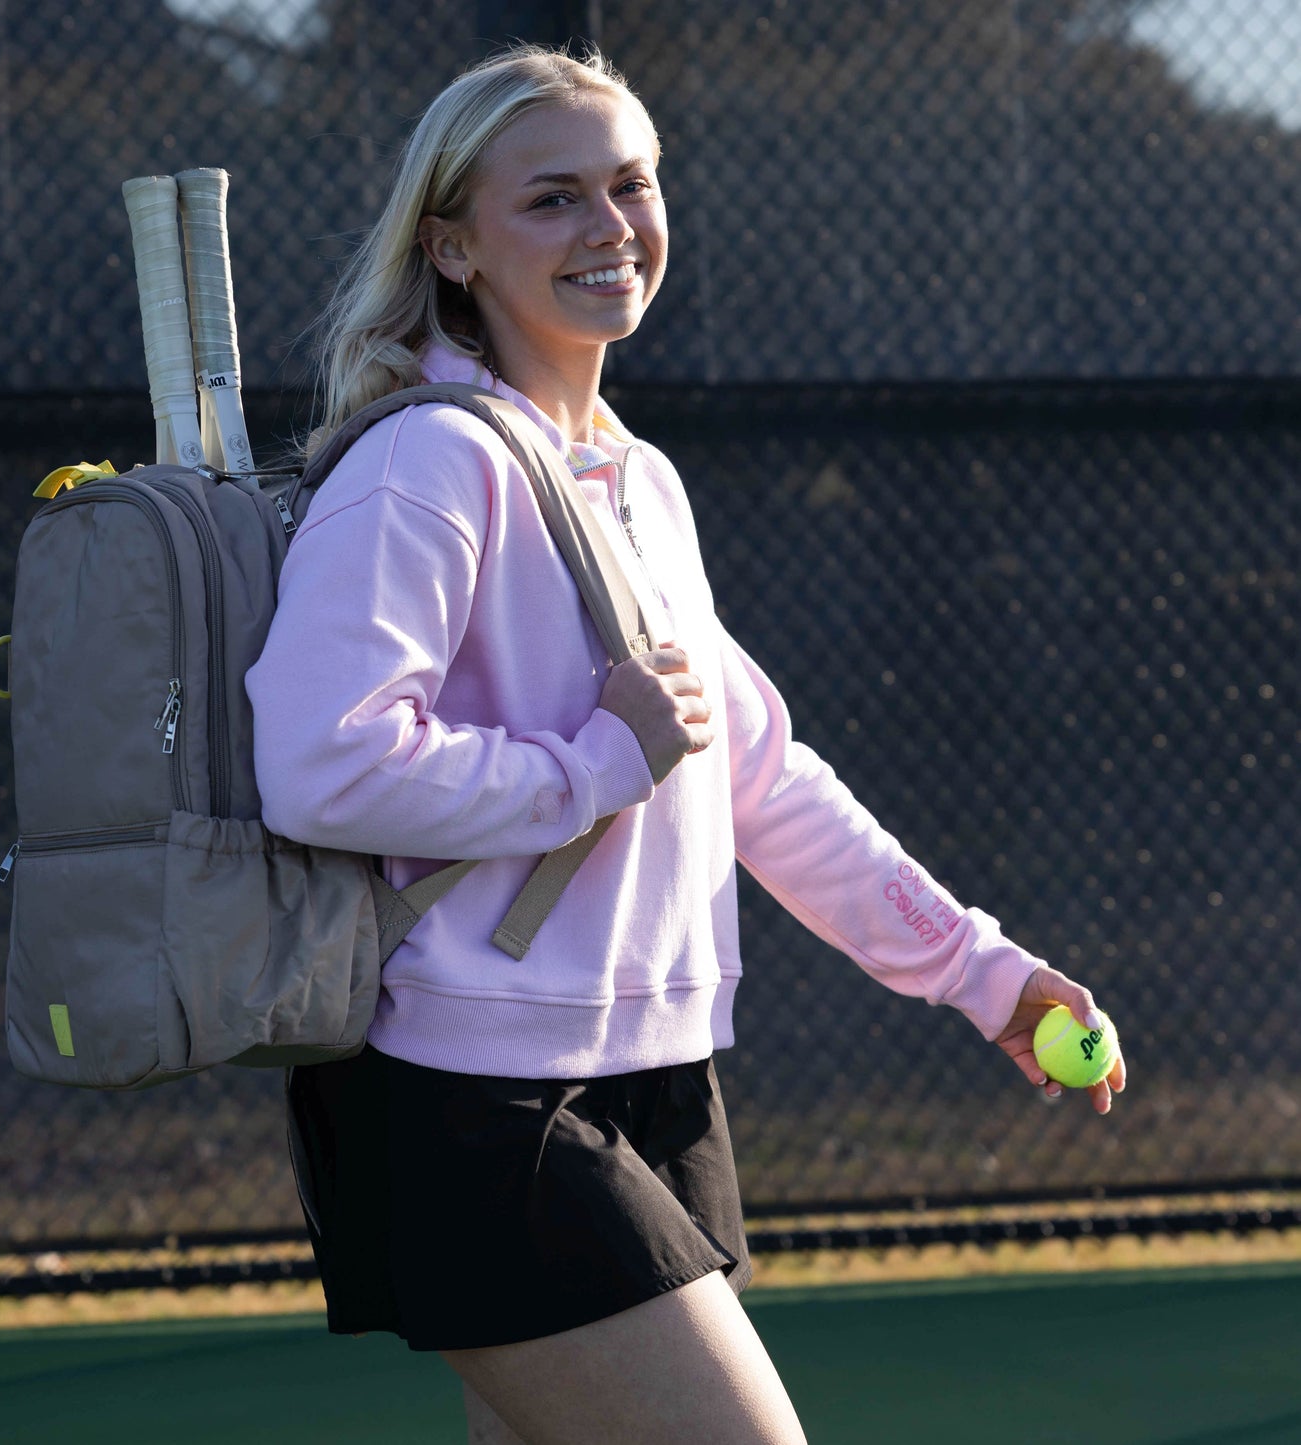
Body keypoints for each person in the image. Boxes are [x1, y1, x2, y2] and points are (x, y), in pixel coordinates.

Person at [245, 43, 1127, 1445]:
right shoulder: (427, 463)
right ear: (454, 244)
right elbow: (324, 760)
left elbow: (756, 775)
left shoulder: (631, 475)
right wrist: (593, 761)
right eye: (553, 199)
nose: (608, 227)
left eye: (632, 185)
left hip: (652, 1074)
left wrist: (984, 974)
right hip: (467, 1096)